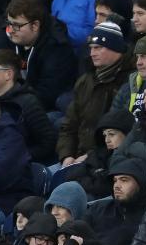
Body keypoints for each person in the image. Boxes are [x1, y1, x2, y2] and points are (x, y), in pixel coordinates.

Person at [56, 22, 133, 167]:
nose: (92, 53)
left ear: (115, 47)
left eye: (98, 48)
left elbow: (121, 132)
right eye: (91, 48)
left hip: (107, 160)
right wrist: (66, 156)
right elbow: (69, 125)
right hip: (76, 158)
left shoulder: (129, 82)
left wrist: (91, 156)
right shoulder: (85, 81)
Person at [0, 0, 77, 110]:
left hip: (41, 109)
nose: (11, 30)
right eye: (9, 23)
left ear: (35, 25)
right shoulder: (8, 35)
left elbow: (47, 94)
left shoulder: (57, 48)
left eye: (17, 25)